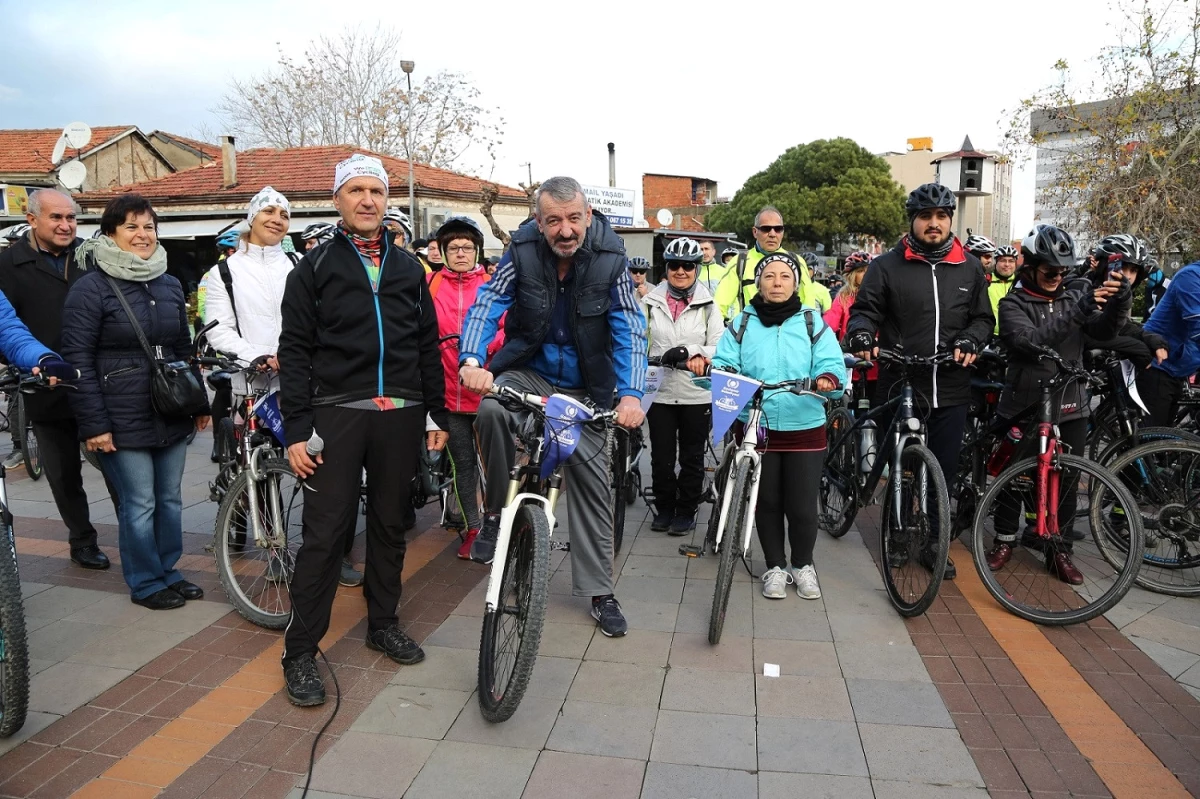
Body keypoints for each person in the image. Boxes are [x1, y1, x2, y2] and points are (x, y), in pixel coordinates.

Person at [277, 154, 448, 706]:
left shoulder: (408, 270)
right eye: (356, 190)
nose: (368, 200)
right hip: (337, 413)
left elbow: (426, 346)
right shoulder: (314, 269)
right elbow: (295, 351)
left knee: (391, 527)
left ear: (387, 200)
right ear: (338, 200)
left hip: (400, 414)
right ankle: (300, 652)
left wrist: (437, 414)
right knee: (325, 535)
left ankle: (382, 623)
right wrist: (297, 429)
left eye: (376, 190)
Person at [458, 176, 647, 638]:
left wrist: (631, 394)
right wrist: (472, 359)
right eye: (554, 221)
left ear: (588, 215)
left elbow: (629, 326)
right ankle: (497, 514)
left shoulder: (611, 256)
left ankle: (601, 592)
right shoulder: (520, 250)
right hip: (531, 371)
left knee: (593, 486)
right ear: (538, 222)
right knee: (490, 410)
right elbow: (489, 302)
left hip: (588, 387)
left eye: (574, 218)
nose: (566, 230)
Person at [62, 194, 211, 608]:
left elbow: (182, 346)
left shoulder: (167, 282)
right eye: (131, 226)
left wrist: (197, 402)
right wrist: (94, 424)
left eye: (148, 226)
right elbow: (77, 358)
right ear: (111, 233)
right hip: (119, 413)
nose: (142, 235)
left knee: (170, 498)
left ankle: (168, 570)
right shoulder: (91, 287)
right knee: (140, 501)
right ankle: (145, 582)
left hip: (169, 407)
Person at [845, 183, 994, 579]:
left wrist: (971, 339)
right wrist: (861, 334)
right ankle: (896, 533)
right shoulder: (885, 266)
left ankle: (932, 543)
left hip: (950, 385)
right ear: (912, 221)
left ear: (950, 220)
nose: (934, 224)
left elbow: (983, 319)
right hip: (900, 380)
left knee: (941, 472)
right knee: (901, 466)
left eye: (941, 217)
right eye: (926, 217)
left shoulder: (969, 267)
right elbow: (865, 311)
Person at [986, 224, 1129, 581]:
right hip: (1024, 403)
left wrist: (1121, 299)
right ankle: (1004, 539)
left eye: (1063, 272)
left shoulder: (1072, 297)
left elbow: (1104, 333)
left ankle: (1059, 549)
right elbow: (1030, 341)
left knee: (1067, 479)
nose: (1057, 277)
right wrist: (1079, 310)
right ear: (1031, 267)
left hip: (1071, 402)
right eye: (1050, 271)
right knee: (1013, 477)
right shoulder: (1013, 303)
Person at [712, 252, 844, 599]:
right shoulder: (742, 322)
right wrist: (727, 375)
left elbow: (830, 361)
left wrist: (827, 377)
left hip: (805, 423)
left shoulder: (812, 322)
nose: (777, 283)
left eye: (784, 277)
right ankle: (774, 566)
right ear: (759, 283)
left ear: (795, 283)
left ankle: (803, 565)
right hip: (757, 426)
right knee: (767, 502)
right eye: (769, 276)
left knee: (801, 505)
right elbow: (724, 361)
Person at [0, 189, 118, 570]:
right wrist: (28, 366)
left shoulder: (94, 256)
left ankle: (136, 536)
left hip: (101, 383)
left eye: (71, 217)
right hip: (46, 386)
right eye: (56, 218)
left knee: (120, 467)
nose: (66, 225)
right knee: (64, 472)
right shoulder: (6, 265)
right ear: (32, 219)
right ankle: (82, 540)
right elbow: (5, 330)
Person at [426, 215, 503, 557]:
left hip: (486, 391)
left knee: (494, 463)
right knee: (463, 464)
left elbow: (507, 327)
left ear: (477, 251)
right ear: (441, 251)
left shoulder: (493, 285)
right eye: (453, 247)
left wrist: (485, 346)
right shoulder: (429, 285)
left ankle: (497, 523)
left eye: (467, 247)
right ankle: (473, 528)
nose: (460, 253)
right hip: (447, 393)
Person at [643, 237, 724, 535]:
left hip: (695, 392)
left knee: (691, 457)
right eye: (674, 265)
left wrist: (689, 352)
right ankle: (664, 507)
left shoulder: (709, 305)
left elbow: (719, 346)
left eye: (687, 266)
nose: (681, 271)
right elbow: (637, 340)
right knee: (661, 457)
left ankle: (686, 510)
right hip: (660, 391)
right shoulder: (649, 303)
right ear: (666, 268)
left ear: (696, 269)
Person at [713, 206, 825, 319]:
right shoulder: (739, 262)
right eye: (766, 229)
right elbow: (719, 306)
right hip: (752, 332)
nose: (772, 234)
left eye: (778, 229)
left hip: (789, 333)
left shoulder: (796, 261)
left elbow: (809, 306)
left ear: (783, 232)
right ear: (755, 232)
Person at [1140, 254, 1200, 426]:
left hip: (1181, 366)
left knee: (1166, 435)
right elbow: (1198, 329)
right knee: (1154, 438)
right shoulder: (1190, 277)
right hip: (1159, 365)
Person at [824, 251, 877, 398]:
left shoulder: (880, 295)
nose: (865, 274)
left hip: (878, 363)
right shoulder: (844, 297)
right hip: (851, 364)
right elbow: (830, 322)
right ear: (851, 275)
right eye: (860, 271)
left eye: (868, 270)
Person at [988, 245, 1019, 335]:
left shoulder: (1021, 283)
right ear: (996, 262)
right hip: (990, 334)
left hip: (1015, 335)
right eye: (1003, 260)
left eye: (1011, 261)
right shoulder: (986, 281)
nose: (1007, 264)